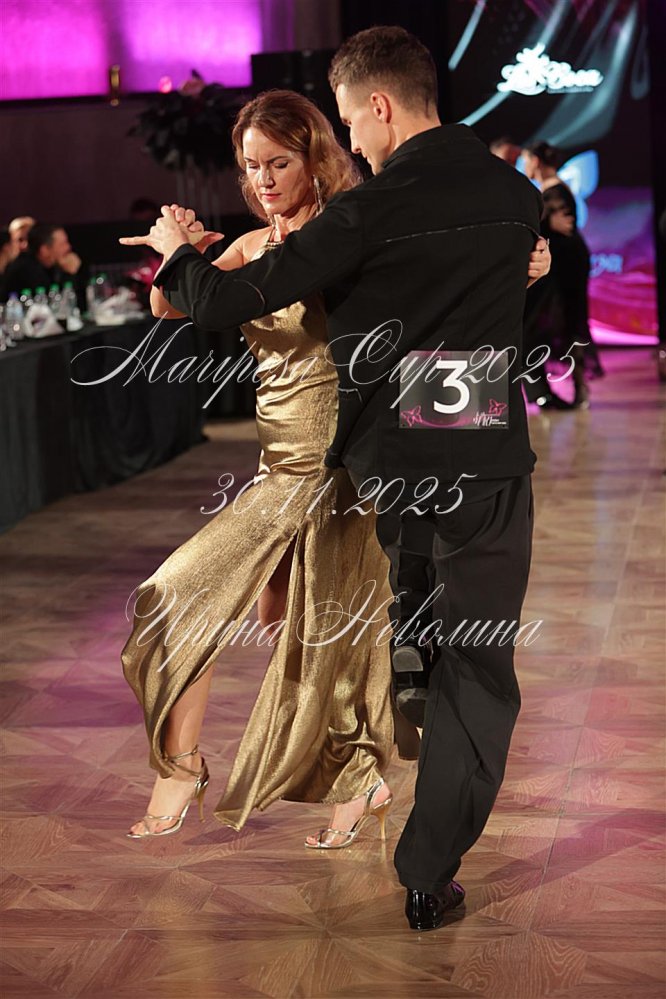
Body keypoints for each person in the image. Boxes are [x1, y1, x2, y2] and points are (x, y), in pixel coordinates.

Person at [122, 26, 551, 932]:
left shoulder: (374, 208)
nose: (352, 137)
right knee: (477, 665)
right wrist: (534, 274)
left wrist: (176, 248)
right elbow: (515, 315)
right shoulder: (514, 192)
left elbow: (226, 302)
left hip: (397, 465)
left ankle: (404, 682)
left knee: (412, 615)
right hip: (482, 451)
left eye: (352, 120)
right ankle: (426, 871)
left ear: (380, 106)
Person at [120, 89, 422, 851]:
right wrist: (185, 250)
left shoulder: (340, 235)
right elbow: (169, 309)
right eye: (251, 166)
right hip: (276, 466)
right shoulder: (255, 244)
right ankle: (188, 763)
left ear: (315, 157)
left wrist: (526, 267)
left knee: (320, 631)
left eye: (278, 163)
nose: (263, 180)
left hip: (334, 468)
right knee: (208, 605)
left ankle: (353, 776)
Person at [522, 140, 602, 407]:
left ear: (535, 161)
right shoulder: (552, 190)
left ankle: (575, 388)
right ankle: (570, 389)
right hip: (565, 264)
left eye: (526, 160)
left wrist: (544, 222)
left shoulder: (554, 192)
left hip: (565, 267)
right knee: (565, 323)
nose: (524, 166)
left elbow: (560, 226)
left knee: (563, 322)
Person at [0, 223, 83, 303]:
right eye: (62, 244)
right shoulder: (26, 270)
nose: (68, 247)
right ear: (44, 250)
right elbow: (55, 306)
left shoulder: (53, 267)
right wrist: (69, 275)